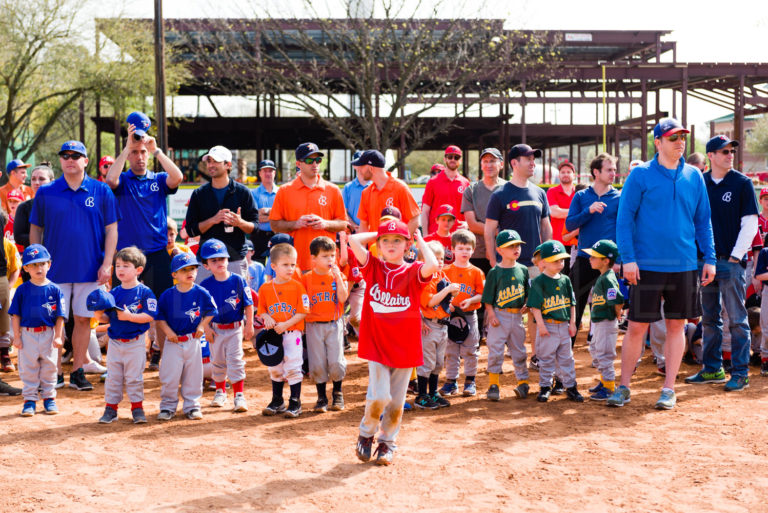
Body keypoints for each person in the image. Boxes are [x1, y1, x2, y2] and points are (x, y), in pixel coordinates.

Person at [612, 118, 716, 410]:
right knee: (636, 327)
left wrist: (709, 257)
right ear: (657, 142)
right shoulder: (640, 175)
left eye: (682, 137)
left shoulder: (694, 176)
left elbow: (703, 221)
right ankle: (624, 387)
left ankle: (668, 388)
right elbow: (624, 219)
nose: (680, 142)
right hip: (646, 265)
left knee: (676, 326)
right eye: (672, 138)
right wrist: (628, 259)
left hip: (684, 265)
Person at [30, 140, 118, 392]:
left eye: (75, 155)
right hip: (53, 271)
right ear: (60, 160)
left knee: (82, 320)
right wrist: (37, 260)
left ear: (85, 161)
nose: (70, 159)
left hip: (90, 268)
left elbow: (112, 229)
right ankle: (55, 372)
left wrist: (107, 263)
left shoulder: (102, 191)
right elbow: (36, 228)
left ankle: (78, 370)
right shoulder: (46, 192)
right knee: (53, 321)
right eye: (65, 155)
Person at [350, 220, 438, 466]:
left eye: (397, 240)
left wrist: (418, 239)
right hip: (377, 344)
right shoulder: (373, 267)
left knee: (397, 402)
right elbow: (353, 241)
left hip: (405, 346)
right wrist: (380, 233)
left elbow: (432, 264)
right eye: (385, 241)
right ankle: (366, 435)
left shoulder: (413, 270)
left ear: (406, 246)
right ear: (377, 245)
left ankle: (387, 443)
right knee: (379, 396)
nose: (390, 244)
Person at [685, 135, 757, 392]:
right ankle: (712, 368)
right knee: (710, 318)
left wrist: (736, 257)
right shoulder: (700, 183)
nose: (729, 155)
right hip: (706, 261)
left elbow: (750, 224)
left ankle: (740, 372)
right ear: (711, 156)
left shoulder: (742, 183)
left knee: (737, 319)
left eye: (731, 151)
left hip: (730, 261)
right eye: (724, 151)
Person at [485, 143, 552, 353]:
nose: (533, 163)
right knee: (507, 311)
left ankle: (537, 355)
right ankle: (501, 355)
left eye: (534, 158)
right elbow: (489, 230)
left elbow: (546, 227)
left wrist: (546, 257)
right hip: (508, 265)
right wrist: (493, 259)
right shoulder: (500, 194)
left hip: (533, 263)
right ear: (514, 163)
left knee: (536, 310)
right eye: (528, 159)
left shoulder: (540, 193)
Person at [91, 247, 157, 424]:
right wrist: (98, 314)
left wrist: (130, 317)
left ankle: (137, 409)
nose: (120, 269)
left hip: (135, 343)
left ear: (138, 270)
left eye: (125, 265)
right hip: (115, 343)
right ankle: (110, 409)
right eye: (117, 265)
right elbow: (108, 317)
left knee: (134, 378)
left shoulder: (145, 292)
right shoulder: (114, 293)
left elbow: (150, 315)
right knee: (113, 378)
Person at [565, 154, 621, 339]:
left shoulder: (619, 197)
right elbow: (570, 224)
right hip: (585, 258)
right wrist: (588, 211)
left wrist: (619, 260)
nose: (613, 173)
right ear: (596, 172)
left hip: (609, 262)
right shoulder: (581, 196)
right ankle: (565, 356)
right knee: (573, 306)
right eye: (609, 170)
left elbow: (624, 230)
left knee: (609, 307)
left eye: (614, 169)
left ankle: (605, 358)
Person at [155, 252, 217, 421]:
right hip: (173, 342)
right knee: (170, 376)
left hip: (193, 340)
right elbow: (159, 316)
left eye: (192, 269)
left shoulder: (201, 292)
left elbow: (212, 310)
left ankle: (192, 406)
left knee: (194, 375)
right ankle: (168, 406)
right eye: (184, 270)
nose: (190, 273)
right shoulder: (168, 295)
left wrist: (202, 326)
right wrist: (167, 331)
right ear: (174, 274)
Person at [268, 142, 346, 272]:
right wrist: (295, 224)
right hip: (294, 265)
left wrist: (325, 223)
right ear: (298, 164)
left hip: (326, 266)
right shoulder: (285, 191)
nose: (315, 164)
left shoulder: (333, 190)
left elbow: (343, 224)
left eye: (318, 160)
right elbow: (274, 225)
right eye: (310, 160)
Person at [184, 145, 258, 281]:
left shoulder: (243, 192)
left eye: (216, 161)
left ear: (228, 165)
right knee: (204, 301)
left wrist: (240, 223)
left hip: (234, 259)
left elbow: (255, 227)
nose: (211, 165)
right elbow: (190, 230)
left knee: (236, 302)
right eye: (209, 161)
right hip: (206, 262)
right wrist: (213, 220)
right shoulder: (199, 194)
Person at [199, 238, 255, 413]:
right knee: (217, 361)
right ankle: (220, 391)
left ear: (228, 259)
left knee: (236, 361)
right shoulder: (205, 285)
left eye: (221, 258)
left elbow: (248, 304)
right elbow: (202, 310)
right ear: (206, 265)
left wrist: (249, 325)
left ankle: (239, 396)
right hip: (215, 329)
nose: (219, 263)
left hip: (235, 328)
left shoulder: (238, 280)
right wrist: (206, 328)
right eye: (213, 260)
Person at [9, 245, 66, 416]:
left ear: (49, 264)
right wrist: (17, 337)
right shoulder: (22, 289)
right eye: (33, 265)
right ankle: (30, 400)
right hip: (27, 334)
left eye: (42, 264)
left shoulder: (55, 289)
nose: (38, 268)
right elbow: (15, 315)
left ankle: (49, 398)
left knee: (49, 367)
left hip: (48, 333)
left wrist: (57, 336)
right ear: (25, 268)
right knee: (28, 368)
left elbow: (60, 317)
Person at [526, 240, 583, 403]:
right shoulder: (539, 281)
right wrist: (541, 326)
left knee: (567, 358)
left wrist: (572, 323)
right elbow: (535, 308)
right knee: (546, 358)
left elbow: (572, 304)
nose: (560, 263)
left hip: (563, 326)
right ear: (543, 262)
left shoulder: (565, 280)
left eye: (562, 260)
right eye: (555, 260)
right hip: (548, 325)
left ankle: (571, 387)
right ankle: (545, 387)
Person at [257, 243, 310, 418]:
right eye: (285, 264)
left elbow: (303, 311)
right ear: (273, 266)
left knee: (294, 366)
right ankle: (277, 400)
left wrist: (286, 324)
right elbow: (262, 309)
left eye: (293, 264)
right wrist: (267, 317)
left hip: (291, 333)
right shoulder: (265, 288)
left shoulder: (297, 286)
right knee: (275, 367)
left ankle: (295, 402)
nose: (290, 268)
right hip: (273, 335)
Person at [301, 236, 349, 412]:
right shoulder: (306, 279)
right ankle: (321, 397)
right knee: (317, 362)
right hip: (313, 325)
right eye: (325, 256)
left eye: (332, 255)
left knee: (336, 361)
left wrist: (337, 277)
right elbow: (303, 303)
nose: (330, 259)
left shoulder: (338, 276)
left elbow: (343, 298)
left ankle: (337, 393)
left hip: (334, 323)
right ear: (313, 258)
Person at [481, 230, 529, 401]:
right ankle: (493, 384)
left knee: (519, 351)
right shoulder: (495, 272)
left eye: (517, 245)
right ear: (500, 250)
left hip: (516, 317)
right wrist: (491, 314)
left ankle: (523, 382)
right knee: (495, 350)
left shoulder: (523, 270)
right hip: (499, 316)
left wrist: (526, 304)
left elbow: (527, 294)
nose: (516, 249)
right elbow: (488, 298)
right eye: (511, 246)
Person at [440, 229, 484, 398]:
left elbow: (482, 294)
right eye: (460, 248)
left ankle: (470, 381)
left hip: (469, 315)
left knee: (471, 349)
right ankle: (451, 382)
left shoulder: (476, 272)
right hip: (450, 316)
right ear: (452, 250)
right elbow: (440, 292)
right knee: (451, 350)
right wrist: (447, 304)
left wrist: (472, 300)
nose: (464, 252)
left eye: (468, 248)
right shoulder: (446, 271)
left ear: (473, 250)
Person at [580, 240, 624, 401]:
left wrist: (617, 315)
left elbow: (618, 300)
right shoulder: (603, 276)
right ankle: (604, 381)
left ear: (606, 261)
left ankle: (609, 387)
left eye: (594, 257)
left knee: (604, 355)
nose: (590, 259)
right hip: (599, 322)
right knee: (595, 350)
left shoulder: (608, 278)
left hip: (606, 321)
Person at [414, 240, 455, 410]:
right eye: (435, 258)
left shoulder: (441, 276)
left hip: (442, 325)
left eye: (441, 259)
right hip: (429, 326)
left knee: (438, 362)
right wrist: (447, 290)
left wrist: (450, 298)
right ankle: (421, 395)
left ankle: (432, 393)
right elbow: (430, 302)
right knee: (427, 363)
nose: (439, 262)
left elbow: (444, 299)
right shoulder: (425, 279)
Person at [355, 150, 421, 235]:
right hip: (374, 247)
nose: (359, 170)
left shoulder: (401, 188)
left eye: (362, 166)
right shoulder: (366, 193)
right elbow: (363, 225)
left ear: (371, 168)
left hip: (399, 247)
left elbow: (415, 220)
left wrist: (401, 242)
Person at [421, 145, 469, 234]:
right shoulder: (433, 182)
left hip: (458, 237)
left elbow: (469, 211)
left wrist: (467, 223)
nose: (453, 159)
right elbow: (425, 212)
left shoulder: (465, 183)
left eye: (456, 157)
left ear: (460, 160)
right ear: (445, 159)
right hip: (436, 236)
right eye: (450, 157)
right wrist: (425, 236)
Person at [14, 163, 54, 249]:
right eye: (33, 179)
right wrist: (40, 239)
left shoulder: (61, 206)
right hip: (33, 257)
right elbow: (18, 237)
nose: (36, 182)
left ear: (52, 181)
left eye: (41, 179)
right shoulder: (24, 207)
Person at [547, 160, 577, 273]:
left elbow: (560, 212)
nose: (565, 174)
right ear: (559, 175)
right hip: (558, 242)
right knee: (559, 276)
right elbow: (554, 212)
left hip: (577, 243)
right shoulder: (552, 191)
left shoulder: (580, 192)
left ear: (574, 175)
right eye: (563, 172)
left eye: (568, 172)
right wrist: (578, 213)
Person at [251, 159, 279, 258]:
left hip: (277, 235)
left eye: (270, 171)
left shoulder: (281, 192)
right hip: (259, 237)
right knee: (258, 266)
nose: (268, 173)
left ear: (274, 173)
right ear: (260, 173)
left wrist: (264, 212)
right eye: (265, 171)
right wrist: (275, 214)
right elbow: (255, 217)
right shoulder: (253, 194)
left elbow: (284, 215)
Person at [341, 151, 370, 233]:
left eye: (364, 163)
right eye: (358, 163)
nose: (361, 165)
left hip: (372, 231)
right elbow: (343, 211)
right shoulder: (348, 187)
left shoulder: (375, 186)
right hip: (353, 231)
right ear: (354, 165)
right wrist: (354, 225)